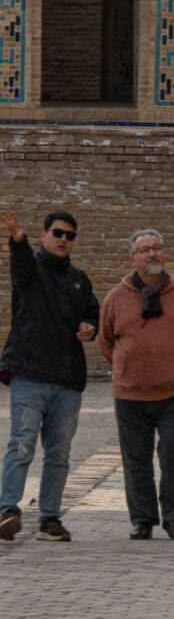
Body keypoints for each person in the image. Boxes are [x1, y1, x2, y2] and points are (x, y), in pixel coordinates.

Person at [98, 229, 174, 541]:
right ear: (132, 258)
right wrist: (128, 365)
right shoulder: (116, 298)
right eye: (145, 250)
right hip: (130, 396)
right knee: (136, 459)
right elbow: (106, 340)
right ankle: (143, 519)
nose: (152, 255)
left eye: (157, 248)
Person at [0, 207, 100, 544]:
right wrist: (17, 238)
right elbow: (21, 263)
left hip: (68, 381)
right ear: (44, 235)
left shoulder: (79, 279)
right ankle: (7, 511)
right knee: (22, 443)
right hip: (30, 375)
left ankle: (49, 519)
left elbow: (92, 313)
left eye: (70, 236)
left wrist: (91, 327)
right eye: (57, 233)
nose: (63, 240)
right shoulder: (31, 269)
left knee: (58, 453)